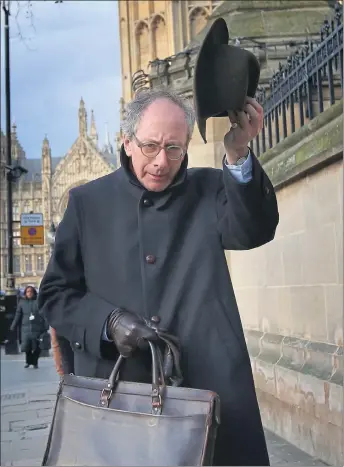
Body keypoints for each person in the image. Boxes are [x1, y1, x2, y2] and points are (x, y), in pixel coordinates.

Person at [38, 88, 279, 466]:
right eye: (150, 146)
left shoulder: (210, 187)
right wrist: (109, 322)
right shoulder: (87, 203)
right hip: (120, 397)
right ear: (127, 142)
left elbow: (252, 231)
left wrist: (237, 152)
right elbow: (55, 295)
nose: (161, 162)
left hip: (207, 386)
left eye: (174, 149)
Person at [10, 285, 47, 369]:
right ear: (25, 293)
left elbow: (43, 315)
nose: (29, 293)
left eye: (31, 291)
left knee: (37, 347)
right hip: (25, 328)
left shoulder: (38, 302)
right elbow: (18, 314)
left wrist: (46, 326)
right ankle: (28, 362)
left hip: (37, 327)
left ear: (34, 292)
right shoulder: (22, 303)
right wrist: (13, 325)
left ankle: (35, 362)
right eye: (28, 292)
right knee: (27, 347)